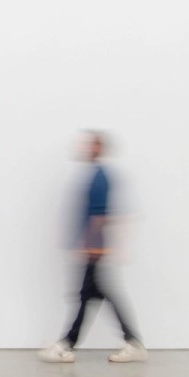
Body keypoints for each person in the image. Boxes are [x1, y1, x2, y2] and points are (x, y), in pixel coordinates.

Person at [38, 131, 147, 364]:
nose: (86, 148)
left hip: (94, 248)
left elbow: (99, 216)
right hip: (93, 247)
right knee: (91, 295)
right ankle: (128, 341)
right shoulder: (95, 174)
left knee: (91, 295)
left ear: (99, 148)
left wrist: (93, 247)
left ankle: (68, 344)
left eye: (91, 145)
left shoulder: (99, 178)